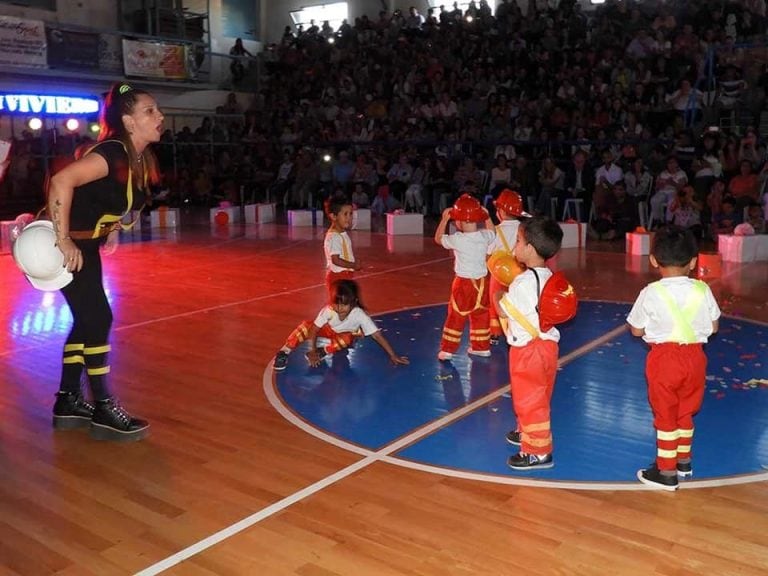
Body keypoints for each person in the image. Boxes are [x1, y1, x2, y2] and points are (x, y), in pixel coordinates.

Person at [46, 82, 163, 441]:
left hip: (85, 247)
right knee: (98, 317)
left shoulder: (139, 158)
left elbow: (114, 199)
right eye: (150, 112)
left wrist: (112, 227)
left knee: (88, 319)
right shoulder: (112, 152)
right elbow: (62, 181)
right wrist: (63, 238)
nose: (160, 116)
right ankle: (103, 405)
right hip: (62, 247)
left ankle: (67, 400)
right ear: (129, 121)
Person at [627, 226, 721, 490]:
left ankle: (666, 472)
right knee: (686, 410)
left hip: (664, 359)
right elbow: (713, 327)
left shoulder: (651, 292)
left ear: (654, 260)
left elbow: (636, 329)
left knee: (665, 414)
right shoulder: (703, 290)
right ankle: (683, 461)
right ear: (693, 261)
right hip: (695, 358)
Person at [493, 216, 565, 470]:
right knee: (539, 394)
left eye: (519, 240)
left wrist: (498, 292)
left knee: (528, 399)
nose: (516, 245)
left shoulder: (523, 282)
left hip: (528, 351)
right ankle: (526, 431)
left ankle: (538, 452)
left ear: (530, 249)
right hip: (548, 347)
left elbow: (503, 311)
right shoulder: (548, 276)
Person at [272, 279, 409, 371]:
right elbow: (314, 329)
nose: (339, 308)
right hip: (326, 330)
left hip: (341, 336)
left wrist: (393, 355)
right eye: (335, 303)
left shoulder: (359, 315)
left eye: (344, 304)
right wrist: (312, 350)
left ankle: (323, 351)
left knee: (348, 339)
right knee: (305, 326)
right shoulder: (328, 311)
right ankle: (284, 352)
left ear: (353, 302)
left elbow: (377, 335)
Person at [435, 194, 495, 361]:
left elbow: (438, 239)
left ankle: (448, 349)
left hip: (464, 283)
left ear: (459, 222)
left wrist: (444, 220)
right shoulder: (485, 236)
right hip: (483, 282)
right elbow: (493, 232)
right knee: (481, 314)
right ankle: (481, 347)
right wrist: (488, 216)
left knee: (456, 315)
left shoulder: (458, 239)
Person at [487, 189, 525, 344]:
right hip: (520, 272)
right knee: (517, 300)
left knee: (494, 300)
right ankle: (517, 329)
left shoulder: (496, 231)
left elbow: (489, 253)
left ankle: (495, 333)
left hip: (498, 274)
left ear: (501, 211)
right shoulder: (523, 229)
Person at [324, 196, 361, 297]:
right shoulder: (334, 237)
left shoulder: (341, 234)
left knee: (346, 305)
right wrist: (353, 265)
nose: (349, 218)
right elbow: (335, 259)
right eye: (345, 214)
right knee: (342, 305)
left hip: (345, 276)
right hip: (338, 278)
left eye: (350, 214)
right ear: (333, 216)